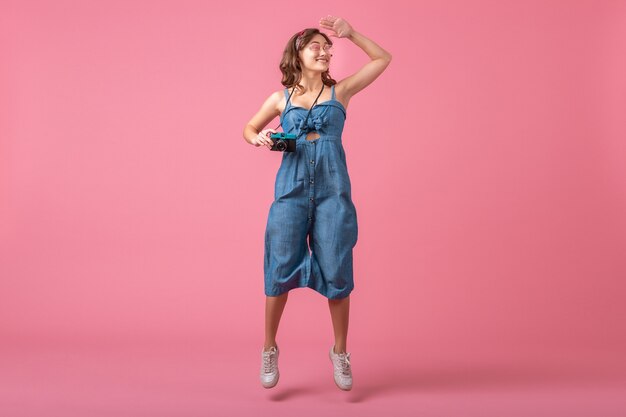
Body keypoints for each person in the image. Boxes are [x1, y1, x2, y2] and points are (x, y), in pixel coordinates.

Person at [242, 15, 392, 391]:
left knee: (338, 270)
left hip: (332, 193)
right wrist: (259, 139)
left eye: (328, 48)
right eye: (317, 47)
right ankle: (269, 347)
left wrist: (352, 33)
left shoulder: (340, 92)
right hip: (290, 192)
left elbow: (382, 60)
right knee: (278, 267)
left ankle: (340, 352)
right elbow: (248, 128)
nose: (325, 52)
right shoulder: (281, 98)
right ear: (299, 52)